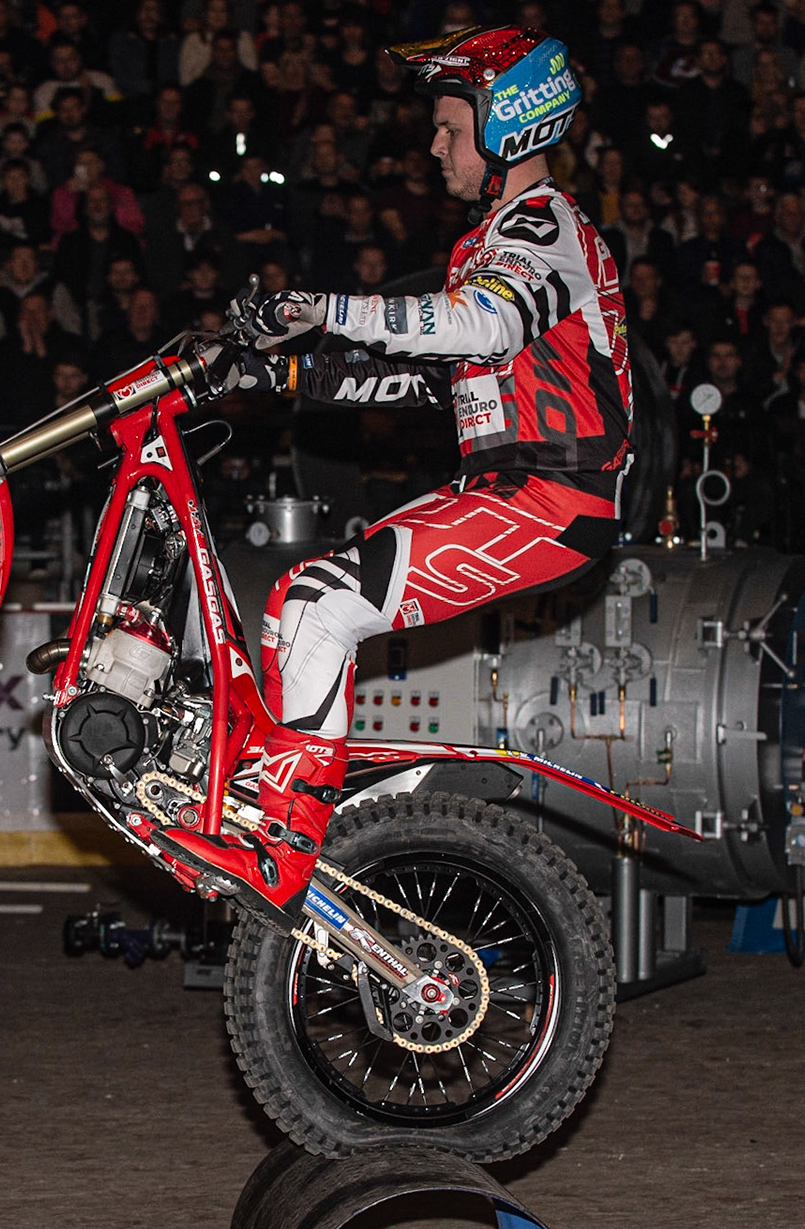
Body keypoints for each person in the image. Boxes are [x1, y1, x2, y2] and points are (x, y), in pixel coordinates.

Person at [174, 27, 632, 924]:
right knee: (296, 604)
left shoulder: (546, 229)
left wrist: (324, 307)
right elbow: (422, 374)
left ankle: (288, 841)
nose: (434, 146)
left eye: (450, 129)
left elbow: (482, 329)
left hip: (551, 496)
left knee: (315, 607)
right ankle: (340, 819)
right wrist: (282, 370)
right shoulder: (492, 247)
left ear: (509, 126)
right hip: (503, 491)